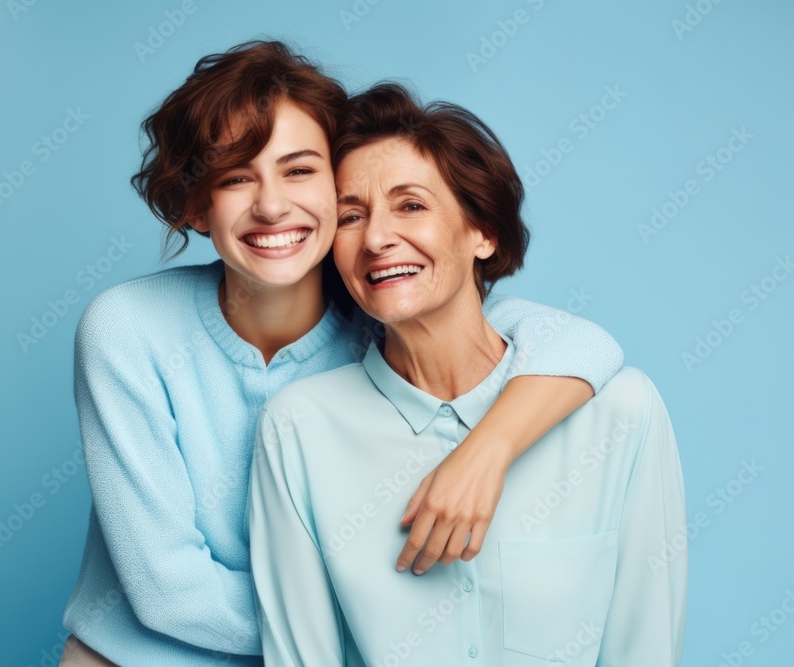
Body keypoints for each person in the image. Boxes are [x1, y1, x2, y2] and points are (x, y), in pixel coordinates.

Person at [59, 42, 626, 666]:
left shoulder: (384, 323)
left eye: (300, 170)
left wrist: (487, 452)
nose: (272, 205)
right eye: (235, 178)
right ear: (196, 205)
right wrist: (384, 633)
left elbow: (578, 342)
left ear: (339, 186)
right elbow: (168, 592)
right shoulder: (128, 329)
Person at [248, 82, 687, 666]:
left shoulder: (621, 414)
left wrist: (489, 450)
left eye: (411, 205)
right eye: (351, 216)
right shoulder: (299, 427)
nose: (376, 238)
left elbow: (646, 647)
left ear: (484, 232)